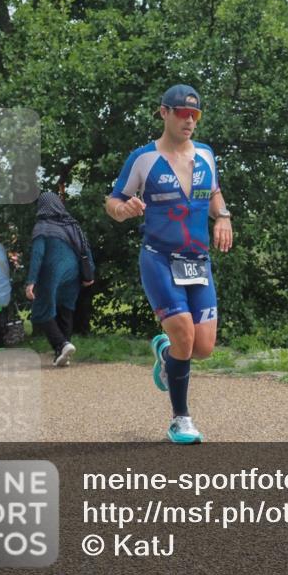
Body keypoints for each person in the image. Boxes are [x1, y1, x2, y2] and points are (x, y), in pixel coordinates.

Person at [105, 84, 233, 444]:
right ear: (164, 113)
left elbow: (215, 193)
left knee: (203, 348)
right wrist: (124, 210)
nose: (189, 120)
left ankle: (164, 354)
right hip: (159, 259)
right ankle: (181, 419)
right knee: (183, 332)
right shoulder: (143, 158)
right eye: (182, 113)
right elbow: (113, 202)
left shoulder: (206, 155)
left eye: (195, 115)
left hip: (198, 261)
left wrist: (222, 216)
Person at [26, 192, 95, 367]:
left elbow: (38, 254)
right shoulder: (72, 225)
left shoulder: (42, 227)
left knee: (41, 309)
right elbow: (86, 250)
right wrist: (89, 274)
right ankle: (62, 354)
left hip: (53, 270)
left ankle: (62, 344)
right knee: (66, 308)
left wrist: (31, 281)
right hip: (73, 272)